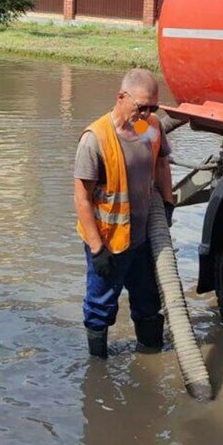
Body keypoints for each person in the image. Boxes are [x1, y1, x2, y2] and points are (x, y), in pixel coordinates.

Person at [74, 67, 175, 359]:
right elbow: (81, 197)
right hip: (110, 243)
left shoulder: (145, 128)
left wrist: (167, 206)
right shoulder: (97, 139)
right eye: (142, 107)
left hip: (143, 241)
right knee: (100, 305)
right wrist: (96, 249)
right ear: (121, 97)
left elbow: (161, 163)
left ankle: (150, 354)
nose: (146, 114)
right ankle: (98, 367)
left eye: (153, 108)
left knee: (148, 301)